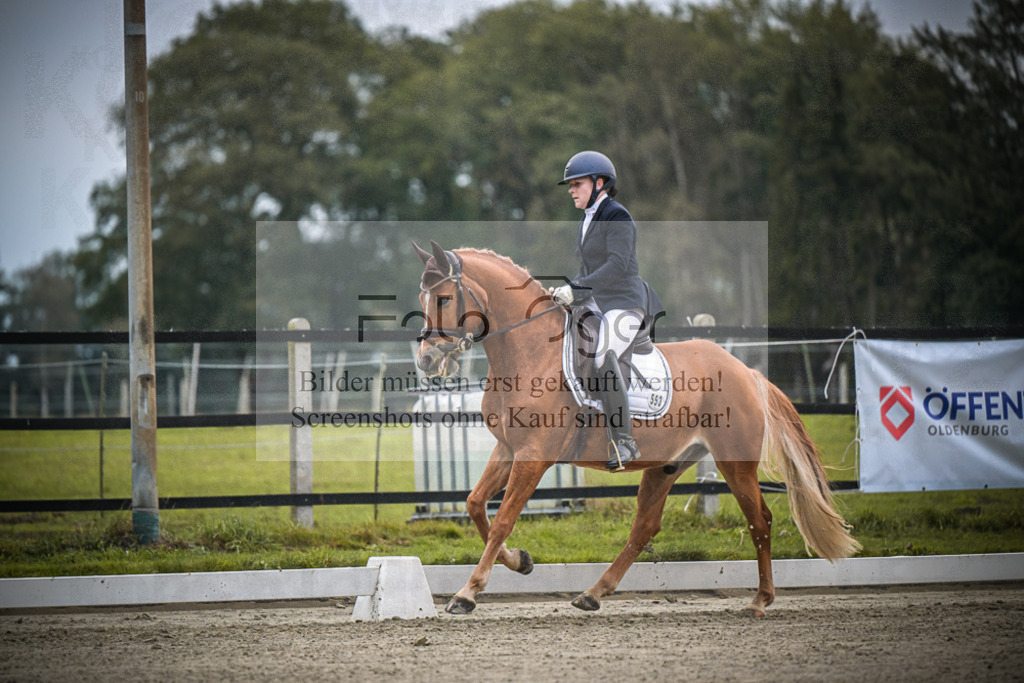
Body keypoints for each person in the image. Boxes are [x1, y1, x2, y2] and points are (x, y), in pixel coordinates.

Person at [550, 150, 663, 471]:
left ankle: (625, 441)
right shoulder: (587, 220)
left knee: (602, 355)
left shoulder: (617, 216)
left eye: (577, 183)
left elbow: (617, 265)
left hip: (625, 304)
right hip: (598, 301)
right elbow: (589, 269)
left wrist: (576, 289)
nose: (571, 189)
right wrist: (565, 294)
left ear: (600, 183)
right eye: (569, 184)